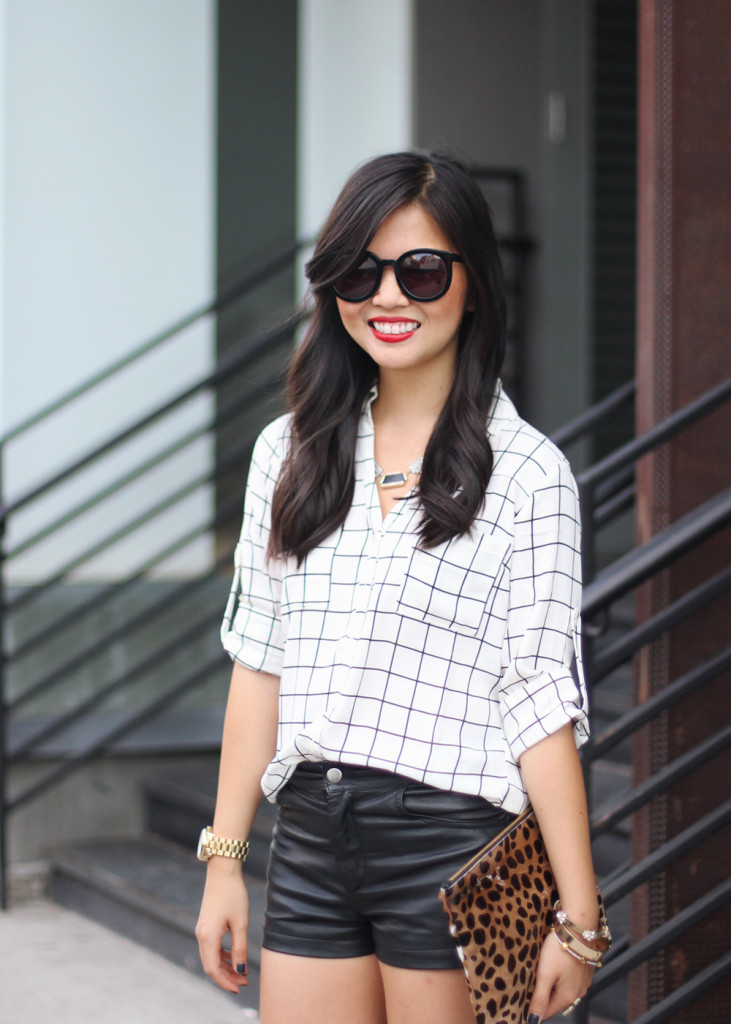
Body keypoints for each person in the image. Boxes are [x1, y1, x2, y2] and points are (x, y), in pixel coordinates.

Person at [195, 151, 601, 1024]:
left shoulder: (528, 474)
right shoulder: (290, 452)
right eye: (358, 271)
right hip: (309, 836)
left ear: (474, 284)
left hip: (452, 849)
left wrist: (579, 916)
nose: (387, 297)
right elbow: (259, 662)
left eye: (420, 270)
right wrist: (225, 859)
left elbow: (537, 697)